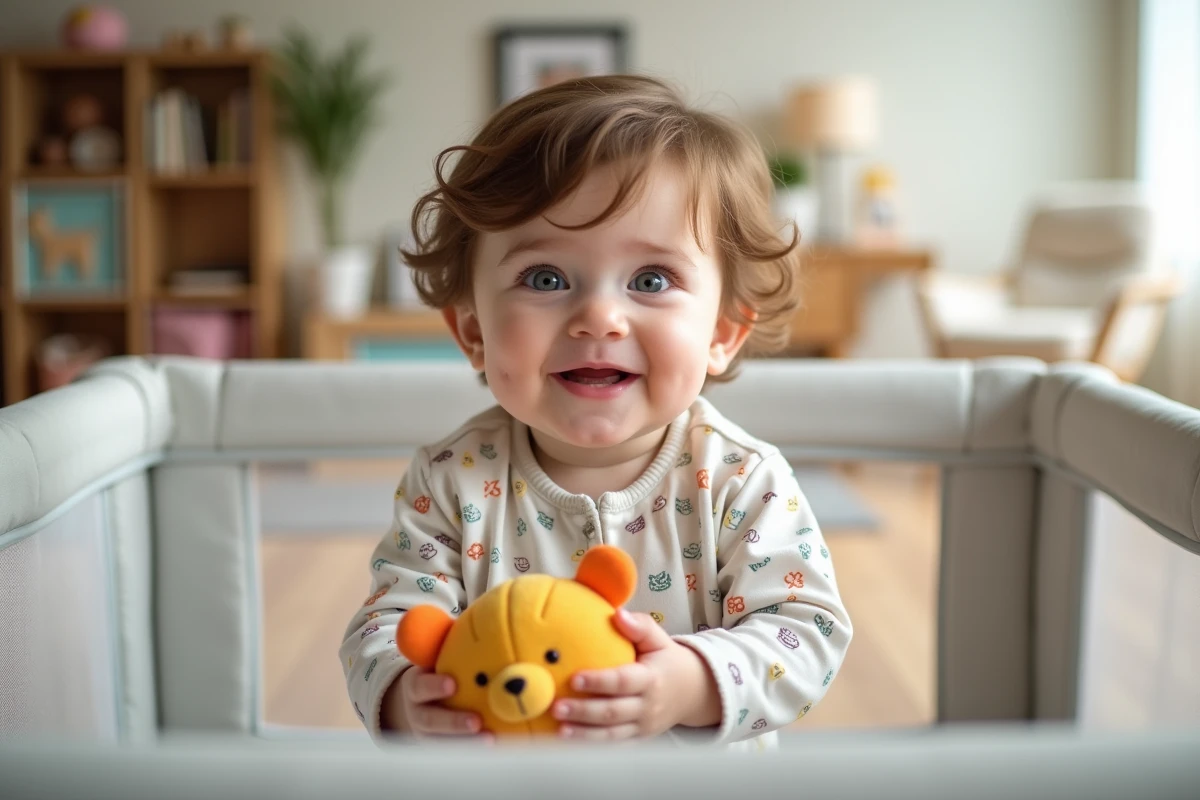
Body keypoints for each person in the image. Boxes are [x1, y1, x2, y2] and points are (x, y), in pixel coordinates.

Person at [340, 74, 852, 750]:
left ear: (723, 334)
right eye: (546, 278)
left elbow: (807, 629)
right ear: (473, 333)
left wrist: (692, 682)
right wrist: (409, 695)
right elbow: (387, 622)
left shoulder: (739, 479)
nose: (599, 317)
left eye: (651, 280)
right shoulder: (451, 479)